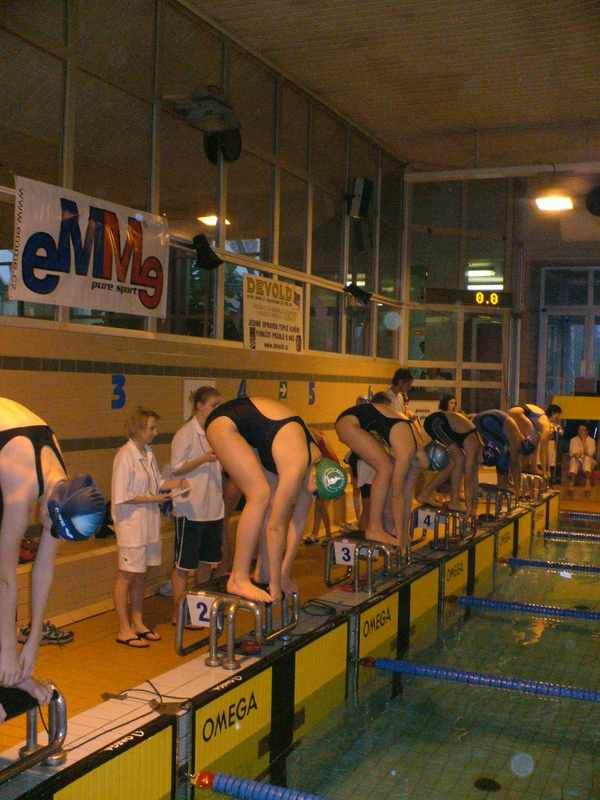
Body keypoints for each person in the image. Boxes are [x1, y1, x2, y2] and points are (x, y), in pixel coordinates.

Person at [0, 398, 105, 715]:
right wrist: (8, 649)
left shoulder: (63, 485)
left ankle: (15, 674)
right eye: (51, 525)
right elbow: (5, 579)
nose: (48, 532)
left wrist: (33, 641)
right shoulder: (22, 491)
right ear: (52, 507)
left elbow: (44, 568)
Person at [206, 396, 346, 604]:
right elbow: (276, 528)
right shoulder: (297, 464)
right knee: (259, 494)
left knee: (271, 504)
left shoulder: (313, 470)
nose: (313, 497)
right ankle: (238, 578)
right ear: (316, 475)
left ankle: (262, 572)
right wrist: (275, 586)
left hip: (259, 434)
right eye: (316, 492)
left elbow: (297, 525)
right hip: (225, 423)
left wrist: (283, 574)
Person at [112, 407, 188, 648]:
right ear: (138, 429)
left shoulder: (148, 453)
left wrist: (179, 484)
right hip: (131, 527)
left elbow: (158, 483)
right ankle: (124, 628)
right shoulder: (124, 456)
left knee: (141, 575)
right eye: (152, 428)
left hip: (148, 524)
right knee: (126, 576)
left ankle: (138, 622)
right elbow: (123, 495)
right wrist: (155, 499)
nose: (156, 432)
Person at [335, 391, 427, 554]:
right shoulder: (407, 452)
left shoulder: (415, 443)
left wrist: (401, 532)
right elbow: (398, 495)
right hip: (348, 424)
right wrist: (401, 535)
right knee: (386, 468)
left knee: (387, 467)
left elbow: (405, 491)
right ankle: (374, 528)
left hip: (354, 421)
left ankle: (376, 527)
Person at [170, 387, 225, 625]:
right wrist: (203, 459)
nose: (217, 410)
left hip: (213, 508)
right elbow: (176, 469)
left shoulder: (216, 432)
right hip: (190, 510)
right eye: (213, 405)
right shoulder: (185, 433)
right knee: (183, 566)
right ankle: (178, 613)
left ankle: (199, 612)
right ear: (199, 406)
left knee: (206, 563)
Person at [421, 410, 482, 519]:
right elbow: (468, 480)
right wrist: (469, 507)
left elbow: (474, 478)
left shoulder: (478, 446)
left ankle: (425, 493)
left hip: (442, 423)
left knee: (455, 462)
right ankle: (454, 501)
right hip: (436, 422)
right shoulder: (473, 445)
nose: (480, 463)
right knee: (459, 459)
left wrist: (475, 506)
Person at [473, 408, 534, 499]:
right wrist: (518, 491)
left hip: (480, 419)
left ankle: (502, 486)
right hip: (489, 420)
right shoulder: (516, 441)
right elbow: (515, 465)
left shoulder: (516, 435)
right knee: (503, 455)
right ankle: (502, 488)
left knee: (500, 454)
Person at [507, 403, 550, 476]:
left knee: (523, 444)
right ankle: (533, 467)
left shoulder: (541, 422)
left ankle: (521, 467)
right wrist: (545, 472)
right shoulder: (547, 428)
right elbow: (543, 451)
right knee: (533, 442)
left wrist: (547, 469)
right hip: (518, 412)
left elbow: (545, 451)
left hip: (513, 412)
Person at [568, 424, 596, 494]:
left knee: (587, 459)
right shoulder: (573, 440)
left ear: (587, 431)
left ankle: (587, 482)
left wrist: (584, 442)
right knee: (573, 460)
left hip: (589, 461)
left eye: (583, 430)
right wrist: (577, 455)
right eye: (580, 430)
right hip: (578, 460)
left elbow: (590, 453)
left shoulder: (591, 441)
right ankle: (572, 482)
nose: (581, 431)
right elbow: (572, 452)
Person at [545, 404, 563, 484]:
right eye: (558, 414)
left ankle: (551, 481)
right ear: (553, 413)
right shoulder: (545, 422)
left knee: (552, 463)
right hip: (546, 444)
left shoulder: (556, 425)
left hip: (553, 445)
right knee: (545, 463)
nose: (558, 417)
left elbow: (561, 433)